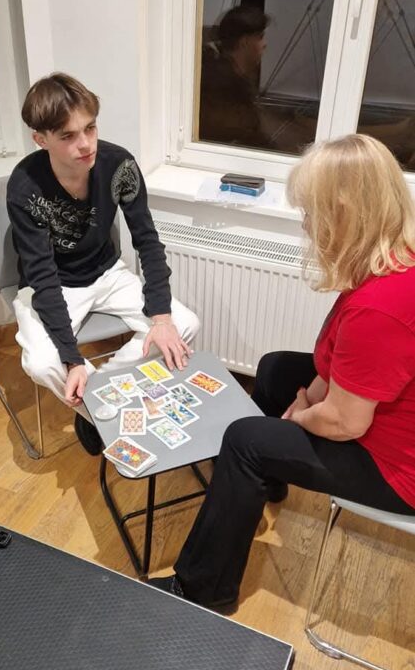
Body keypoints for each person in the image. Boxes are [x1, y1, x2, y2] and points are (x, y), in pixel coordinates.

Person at [149, 134, 415, 609]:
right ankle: (258, 484)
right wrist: (308, 397)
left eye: (312, 213)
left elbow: (346, 422)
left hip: (397, 472)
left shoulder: (378, 309)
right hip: (381, 420)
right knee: (273, 370)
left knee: (245, 440)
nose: (307, 225)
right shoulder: (389, 262)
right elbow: (338, 365)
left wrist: (301, 416)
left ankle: (201, 591)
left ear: (344, 214)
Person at [7, 73, 199, 455]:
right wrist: (72, 358)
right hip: (54, 285)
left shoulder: (119, 165)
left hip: (108, 273)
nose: (85, 144)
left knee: (185, 325)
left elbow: (147, 241)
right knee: (44, 364)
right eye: (68, 136)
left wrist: (161, 319)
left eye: (90, 128)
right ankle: (105, 413)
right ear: (41, 139)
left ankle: (95, 404)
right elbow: (42, 276)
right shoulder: (25, 186)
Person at [199, 5, 269, 147]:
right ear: (245, 42)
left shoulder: (229, 75)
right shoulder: (221, 87)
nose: (265, 44)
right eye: (260, 37)